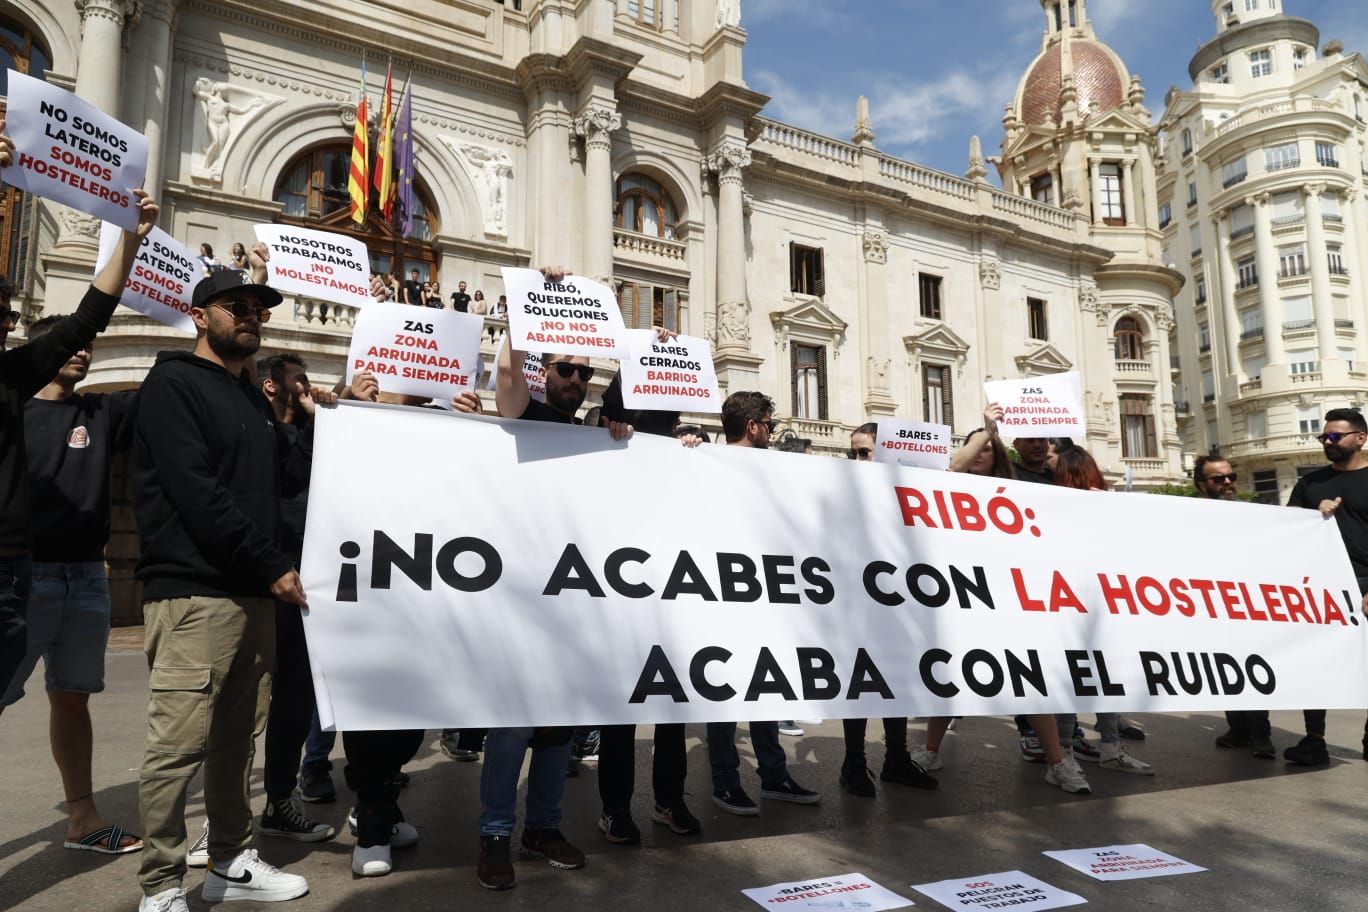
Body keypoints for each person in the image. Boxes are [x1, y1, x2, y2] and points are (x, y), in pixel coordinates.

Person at [132, 267, 316, 910]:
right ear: (199, 313)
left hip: (252, 595)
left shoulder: (254, 400)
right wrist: (270, 563)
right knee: (178, 746)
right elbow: (197, 493)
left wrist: (316, 421)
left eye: (258, 309)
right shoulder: (172, 384)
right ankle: (160, 884)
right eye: (234, 306)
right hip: (195, 593)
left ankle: (231, 861)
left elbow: (278, 486)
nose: (250, 316)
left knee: (239, 742)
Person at [475, 266, 630, 890]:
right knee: (511, 727)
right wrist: (524, 309)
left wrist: (628, 438)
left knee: (558, 730)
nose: (576, 380)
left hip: (573, 604)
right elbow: (508, 380)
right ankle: (493, 836)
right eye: (566, 369)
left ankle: (542, 828)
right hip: (518, 600)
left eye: (584, 373)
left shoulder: (595, 431)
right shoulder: (525, 410)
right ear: (547, 373)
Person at [0, 123, 155, 706]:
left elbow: (87, 316)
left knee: (71, 698)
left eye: (6, 314)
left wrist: (132, 243)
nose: (7, 322)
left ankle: (83, 804)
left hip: (24, 575)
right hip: (25, 572)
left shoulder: (10, 380)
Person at [0, 316, 141, 855]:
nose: (84, 352)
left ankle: (83, 819)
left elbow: (172, 394)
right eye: (73, 344)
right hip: (20, 576)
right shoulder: (11, 409)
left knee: (73, 698)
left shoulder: (99, 411)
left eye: (89, 346)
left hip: (87, 576)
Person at [950, 406, 1089, 794]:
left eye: (1043, 438)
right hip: (966, 592)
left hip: (1021, 595)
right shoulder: (962, 481)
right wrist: (987, 430)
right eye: (1028, 437)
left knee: (1033, 677)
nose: (1038, 443)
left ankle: (1058, 758)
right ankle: (927, 750)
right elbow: (955, 467)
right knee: (943, 677)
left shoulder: (1043, 479)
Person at [589, 372, 702, 843]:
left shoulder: (684, 446)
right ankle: (614, 808)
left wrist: (692, 446)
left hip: (672, 596)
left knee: (673, 713)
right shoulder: (606, 437)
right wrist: (638, 356)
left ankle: (669, 800)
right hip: (619, 596)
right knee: (620, 717)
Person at [706, 391, 822, 815]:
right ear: (753, 426)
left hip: (766, 592)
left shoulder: (775, 470)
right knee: (721, 691)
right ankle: (725, 781)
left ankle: (773, 776)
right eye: (769, 425)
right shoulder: (705, 461)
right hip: (722, 592)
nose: (773, 433)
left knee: (765, 685)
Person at [839, 423, 938, 794]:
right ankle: (854, 764)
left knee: (896, 677)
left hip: (900, 601)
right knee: (859, 682)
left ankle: (896, 758)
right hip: (856, 602)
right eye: (855, 453)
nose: (859, 460)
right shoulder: (844, 488)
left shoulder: (910, 492)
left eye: (866, 452)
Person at [1050, 442, 1154, 775]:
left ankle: (1088, 749)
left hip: (1093, 608)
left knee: (1093, 680)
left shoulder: (1104, 510)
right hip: (1073, 609)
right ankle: (1080, 749)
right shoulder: (1055, 510)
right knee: (1080, 680)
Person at [1285, 408, 1368, 767]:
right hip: (1321, 591)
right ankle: (1314, 739)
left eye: (1336, 436)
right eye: (1324, 437)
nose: (1328, 442)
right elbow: (1285, 530)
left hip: (1365, 585)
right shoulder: (1311, 484)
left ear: (1360, 438)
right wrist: (1310, 515)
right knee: (1316, 665)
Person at [1195, 455, 1275, 758]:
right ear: (1202, 485)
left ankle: (1260, 733)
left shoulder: (1254, 514)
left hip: (1248, 604)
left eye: (1231, 477)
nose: (1228, 483)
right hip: (1210, 605)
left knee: (1251, 666)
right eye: (1218, 479)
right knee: (1225, 668)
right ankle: (1238, 728)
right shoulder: (1189, 515)